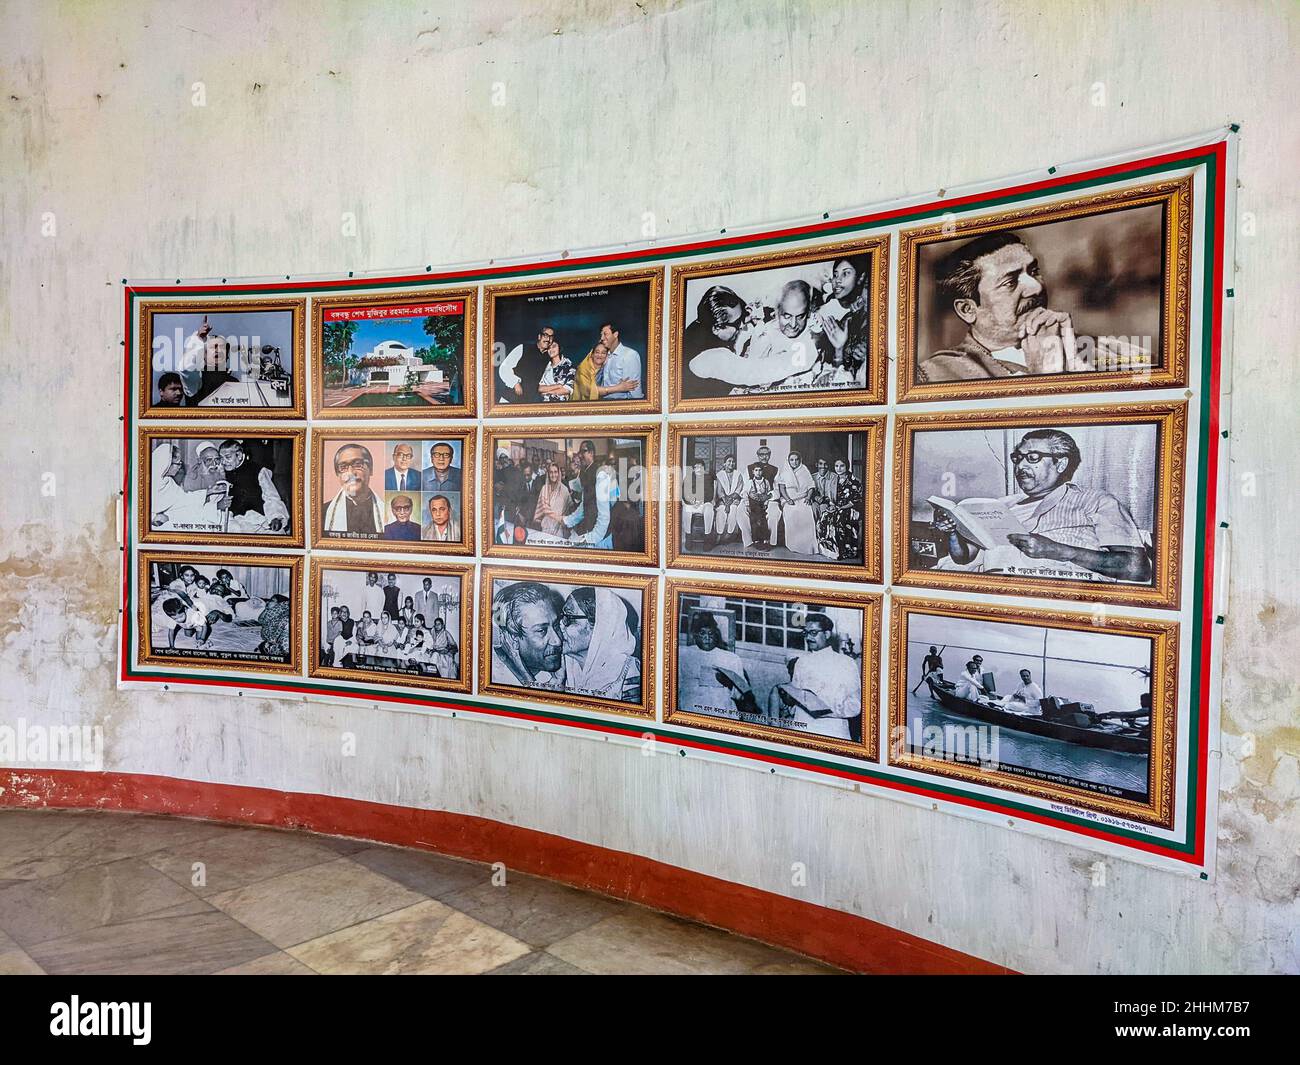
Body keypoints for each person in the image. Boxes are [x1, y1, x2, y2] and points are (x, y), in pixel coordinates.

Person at [919, 231, 1141, 382]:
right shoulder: (937, 374)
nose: (1035, 287)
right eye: (1010, 282)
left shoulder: (1114, 352)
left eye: (1033, 272)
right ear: (968, 309)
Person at [933, 428, 1150, 583]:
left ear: (1061, 463)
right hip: (995, 590)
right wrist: (953, 532)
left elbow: (1137, 568)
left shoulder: (1096, 501)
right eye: (1017, 458)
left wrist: (1059, 551)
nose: (1021, 465)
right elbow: (964, 558)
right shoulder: (1000, 505)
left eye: (1033, 458)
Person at [768, 614, 860, 739]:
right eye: (806, 633)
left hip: (832, 731)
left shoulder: (846, 663)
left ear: (827, 634)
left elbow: (854, 706)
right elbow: (796, 698)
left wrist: (822, 711)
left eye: (813, 632)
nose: (808, 637)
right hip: (802, 730)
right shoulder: (801, 662)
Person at [558, 586, 640, 703]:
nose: (560, 624)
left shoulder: (629, 676)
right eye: (562, 616)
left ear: (600, 628)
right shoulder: (560, 662)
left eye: (569, 617)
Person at [677, 612, 753, 719]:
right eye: (702, 633)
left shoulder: (731, 658)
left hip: (722, 712)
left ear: (716, 635)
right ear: (694, 635)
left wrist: (729, 683)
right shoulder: (683, 654)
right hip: (691, 711)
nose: (707, 638)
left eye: (711, 633)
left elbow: (744, 696)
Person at [491, 581, 565, 690]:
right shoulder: (494, 678)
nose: (557, 641)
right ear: (512, 639)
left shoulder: (570, 665)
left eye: (556, 625)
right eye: (541, 630)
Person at [214, 439, 289, 534]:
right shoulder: (221, 474)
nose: (224, 462)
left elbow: (271, 497)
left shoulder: (258, 471)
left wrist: (276, 517)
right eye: (221, 458)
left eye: (228, 457)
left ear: (239, 455)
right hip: (234, 522)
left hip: (259, 521)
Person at [149, 443, 226, 529]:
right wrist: (153, 517)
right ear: (166, 464)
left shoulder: (168, 481)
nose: (179, 467)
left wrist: (210, 491)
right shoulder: (148, 482)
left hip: (171, 515)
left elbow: (184, 499)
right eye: (178, 464)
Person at [322, 443, 383, 535]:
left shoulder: (387, 512)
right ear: (338, 475)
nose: (350, 473)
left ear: (371, 469)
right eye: (343, 467)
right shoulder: (323, 512)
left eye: (358, 464)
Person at [817, 458, 863, 561]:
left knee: (839, 518)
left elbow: (855, 501)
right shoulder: (833, 479)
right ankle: (830, 550)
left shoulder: (854, 481)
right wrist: (832, 505)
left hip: (850, 508)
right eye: (837, 466)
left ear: (847, 466)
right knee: (824, 516)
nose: (839, 469)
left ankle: (845, 551)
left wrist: (840, 508)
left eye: (842, 466)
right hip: (836, 507)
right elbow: (829, 497)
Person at [498, 325, 555, 403]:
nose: (548, 339)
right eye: (545, 335)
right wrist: (515, 384)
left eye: (551, 337)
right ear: (539, 336)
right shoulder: (523, 348)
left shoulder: (548, 359)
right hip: (508, 399)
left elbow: (547, 381)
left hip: (527, 403)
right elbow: (504, 368)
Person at [774, 451, 817, 555]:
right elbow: (782, 488)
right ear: (788, 461)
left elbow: (811, 486)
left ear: (800, 460)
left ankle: (807, 546)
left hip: (803, 497)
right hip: (789, 499)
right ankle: (794, 544)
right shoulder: (784, 471)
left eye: (796, 459)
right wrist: (788, 499)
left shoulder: (804, 470)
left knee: (806, 513)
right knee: (791, 514)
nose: (794, 462)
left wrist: (808, 497)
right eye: (792, 460)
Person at [595, 322, 643, 399]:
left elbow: (634, 391)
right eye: (601, 335)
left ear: (615, 334)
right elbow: (594, 386)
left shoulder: (629, 355)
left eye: (605, 334)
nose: (602, 338)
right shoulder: (604, 356)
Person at [742, 460, 778, 550]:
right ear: (753, 472)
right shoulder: (750, 482)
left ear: (763, 471)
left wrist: (766, 503)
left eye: (760, 470)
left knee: (763, 521)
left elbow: (768, 493)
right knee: (754, 521)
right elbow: (745, 493)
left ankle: (765, 540)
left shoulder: (766, 482)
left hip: (762, 505)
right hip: (753, 505)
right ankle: (756, 540)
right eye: (756, 470)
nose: (758, 472)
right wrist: (747, 505)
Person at [711, 454, 745, 546]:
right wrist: (726, 503)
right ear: (724, 464)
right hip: (722, 500)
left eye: (733, 462)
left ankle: (729, 534)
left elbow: (739, 489)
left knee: (733, 509)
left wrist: (730, 502)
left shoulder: (738, 474)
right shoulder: (720, 475)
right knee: (721, 510)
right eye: (729, 461)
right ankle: (719, 533)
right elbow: (719, 491)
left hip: (734, 499)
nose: (731, 463)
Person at [533, 461, 571, 537]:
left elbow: (569, 508)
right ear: (548, 474)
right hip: (546, 527)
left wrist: (563, 520)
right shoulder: (544, 488)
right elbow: (544, 508)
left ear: (559, 473)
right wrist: (558, 518)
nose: (553, 475)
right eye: (551, 472)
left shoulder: (564, 489)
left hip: (559, 528)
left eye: (555, 472)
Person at [681, 460, 714, 546]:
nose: (699, 469)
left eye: (701, 467)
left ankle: (708, 538)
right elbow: (685, 493)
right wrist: (691, 501)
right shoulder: (688, 478)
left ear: (704, 468)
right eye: (697, 467)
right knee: (686, 510)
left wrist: (701, 501)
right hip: (692, 504)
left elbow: (710, 494)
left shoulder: (708, 478)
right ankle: (688, 536)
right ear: (693, 469)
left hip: (704, 503)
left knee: (709, 509)